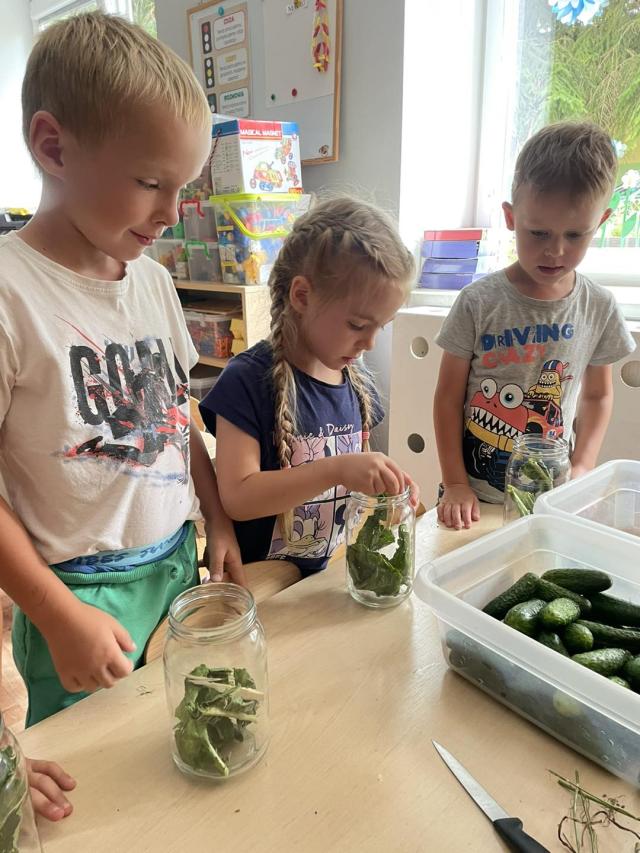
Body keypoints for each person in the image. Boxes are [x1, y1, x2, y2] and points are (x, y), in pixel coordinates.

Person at [0, 12, 241, 727]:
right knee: (97, 764)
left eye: (183, 187)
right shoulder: (11, 293)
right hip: (75, 593)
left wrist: (217, 519)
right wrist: (54, 612)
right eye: (150, 182)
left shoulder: (153, 282)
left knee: (182, 732)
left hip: (177, 564)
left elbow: (177, 422)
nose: (171, 213)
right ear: (53, 147)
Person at [434, 121, 636, 530]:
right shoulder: (477, 301)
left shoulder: (598, 306)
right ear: (510, 217)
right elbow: (447, 399)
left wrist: (583, 467)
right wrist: (455, 483)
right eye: (539, 232)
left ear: (601, 222)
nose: (555, 250)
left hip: (551, 498)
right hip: (475, 498)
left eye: (575, 235)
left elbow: (597, 396)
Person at [200, 198, 418, 575]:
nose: (370, 343)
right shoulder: (246, 380)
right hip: (261, 583)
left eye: (380, 327)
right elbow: (238, 497)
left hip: (322, 578)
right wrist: (336, 470)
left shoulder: (356, 382)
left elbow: (352, 480)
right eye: (357, 325)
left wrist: (387, 487)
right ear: (302, 296)